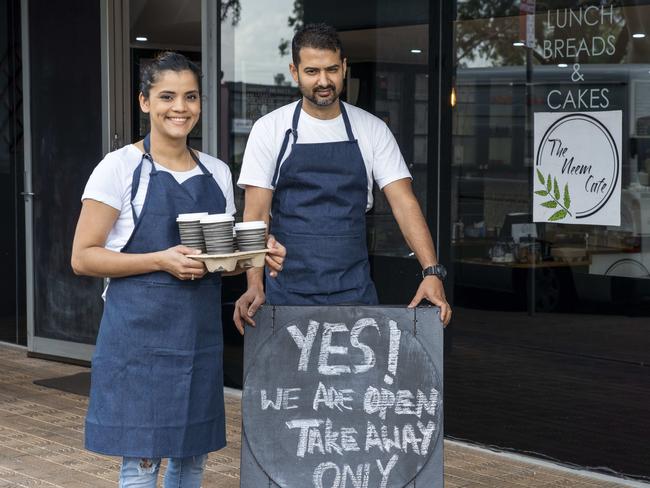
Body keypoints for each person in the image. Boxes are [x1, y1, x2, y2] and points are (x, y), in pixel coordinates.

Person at [71, 51, 285, 488]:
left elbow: (217, 263)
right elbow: (83, 257)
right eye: (167, 96)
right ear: (144, 102)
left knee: (192, 458)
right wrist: (160, 260)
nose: (180, 107)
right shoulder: (119, 168)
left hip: (196, 339)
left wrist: (255, 256)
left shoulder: (218, 173)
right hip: (138, 340)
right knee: (142, 463)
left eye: (190, 97)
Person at [233, 23, 451, 333]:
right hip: (286, 295)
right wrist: (254, 284)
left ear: (344, 67)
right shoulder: (270, 129)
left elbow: (404, 203)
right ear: (294, 72)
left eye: (332, 70)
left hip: (355, 294)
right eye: (312, 72)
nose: (324, 81)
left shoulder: (371, 129)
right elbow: (255, 215)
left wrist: (431, 270)